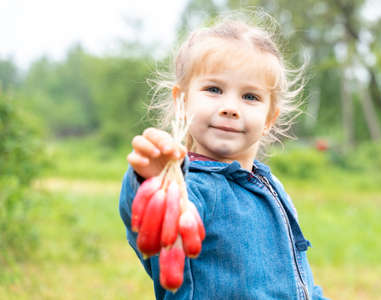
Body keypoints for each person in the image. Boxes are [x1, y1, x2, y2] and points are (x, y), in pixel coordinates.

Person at [119, 12, 329, 300]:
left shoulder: (269, 186)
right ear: (181, 102)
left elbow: (298, 275)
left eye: (250, 97)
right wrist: (154, 182)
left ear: (270, 117)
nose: (231, 107)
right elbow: (152, 220)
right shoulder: (192, 186)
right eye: (214, 89)